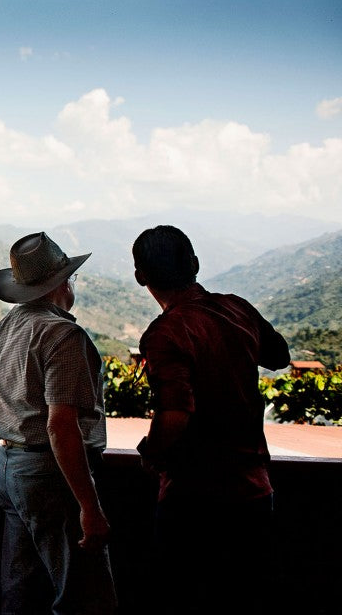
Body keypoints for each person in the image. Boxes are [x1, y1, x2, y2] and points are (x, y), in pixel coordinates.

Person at [132, 225, 290, 614]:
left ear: (141, 278)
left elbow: (175, 414)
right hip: (255, 490)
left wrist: (151, 452)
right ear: (196, 264)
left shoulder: (166, 333)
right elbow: (279, 356)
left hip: (194, 499)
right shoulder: (237, 308)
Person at [0, 232, 117, 615]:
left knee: (21, 591)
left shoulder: (0, 332)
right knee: (83, 595)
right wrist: (89, 506)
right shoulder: (62, 335)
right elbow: (61, 426)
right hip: (50, 475)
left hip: (8, 468)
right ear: (62, 284)